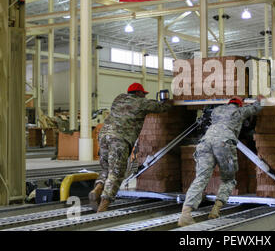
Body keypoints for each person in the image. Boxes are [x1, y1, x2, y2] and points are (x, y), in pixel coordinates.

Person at [178, 95, 265, 227]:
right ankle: (215, 211)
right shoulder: (240, 111)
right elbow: (256, 108)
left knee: (200, 178)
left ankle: (185, 214)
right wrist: (261, 99)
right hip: (224, 144)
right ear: (240, 104)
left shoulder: (216, 111)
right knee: (228, 179)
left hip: (204, 143)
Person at [89, 83, 172, 212]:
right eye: (143, 94)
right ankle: (103, 206)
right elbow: (161, 108)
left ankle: (98, 188)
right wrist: (167, 101)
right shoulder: (141, 103)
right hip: (119, 139)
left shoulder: (118, 98)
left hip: (104, 136)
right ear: (139, 93)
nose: (144, 96)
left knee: (106, 168)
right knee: (116, 173)